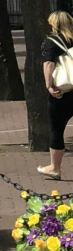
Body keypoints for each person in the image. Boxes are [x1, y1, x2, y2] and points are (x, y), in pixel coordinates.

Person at [39, 10, 73, 180]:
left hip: (63, 92)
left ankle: (55, 168)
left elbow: (48, 64)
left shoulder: (51, 42)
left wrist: (49, 86)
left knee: (57, 129)